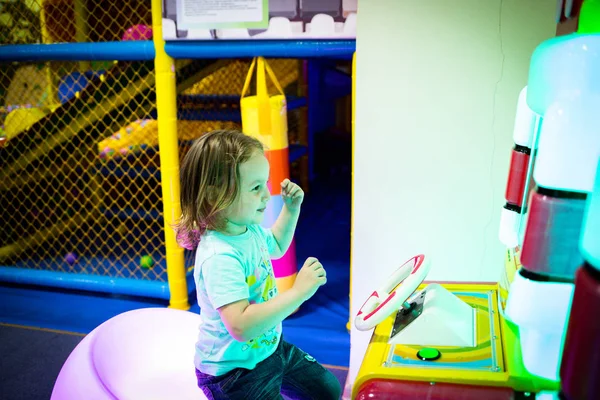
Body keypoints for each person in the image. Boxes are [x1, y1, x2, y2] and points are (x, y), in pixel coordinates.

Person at [176, 129, 341, 399]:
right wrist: (298, 292)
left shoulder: (247, 228)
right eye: (255, 187)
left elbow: (275, 245)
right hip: (233, 372)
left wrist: (291, 209)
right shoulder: (220, 256)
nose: (267, 194)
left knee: (327, 390)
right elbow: (241, 326)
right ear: (214, 196)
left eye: (265, 183)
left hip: (269, 347)